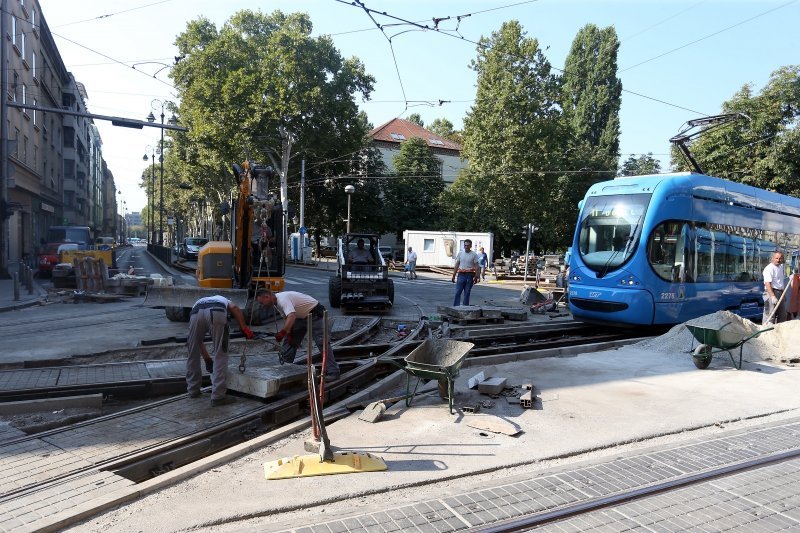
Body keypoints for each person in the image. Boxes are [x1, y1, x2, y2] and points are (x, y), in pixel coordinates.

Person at [255, 289, 341, 380]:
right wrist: (289, 333)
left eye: (262, 303)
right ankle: (285, 368)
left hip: (315, 315)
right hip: (300, 317)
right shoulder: (276, 304)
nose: (262, 306)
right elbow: (287, 317)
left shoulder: (283, 299)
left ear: (267, 297)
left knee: (322, 343)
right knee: (289, 343)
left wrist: (283, 332)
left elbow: (291, 315)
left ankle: (333, 372)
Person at [186, 295, 255, 406]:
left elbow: (199, 344)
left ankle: (193, 390)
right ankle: (218, 396)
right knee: (220, 353)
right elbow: (235, 308)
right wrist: (244, 328)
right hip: (216, 311)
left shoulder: (201, 301)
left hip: (195, 313)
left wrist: (207, 359)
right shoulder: (223, 299)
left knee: (192, 352)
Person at [451, 239, 481, 306]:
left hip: (469, 275)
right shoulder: (460, 253)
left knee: (467, 293)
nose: (466, 247)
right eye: (465, 245)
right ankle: (456, 307)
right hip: (461, 274)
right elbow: (457, 264)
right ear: (463, 246)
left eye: (468, 245)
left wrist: (477, 277)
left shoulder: (474, 255)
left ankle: (465, 308)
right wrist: (453, 275)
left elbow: (477, 267)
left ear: (470, 246)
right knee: (457, 292)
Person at [763, 250, 787, 324]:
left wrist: (783, 294)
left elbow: (780, 282)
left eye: (780, 258)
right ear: (773, 258)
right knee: (770, 315)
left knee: (782, 315)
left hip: (779, 293)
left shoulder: (780, 267)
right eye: (776, 258)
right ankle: (766, 333)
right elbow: (767, 283)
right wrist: (772, 296)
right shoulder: (769, 268)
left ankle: (779, 333)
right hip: (771, 292)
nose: (778, 260)